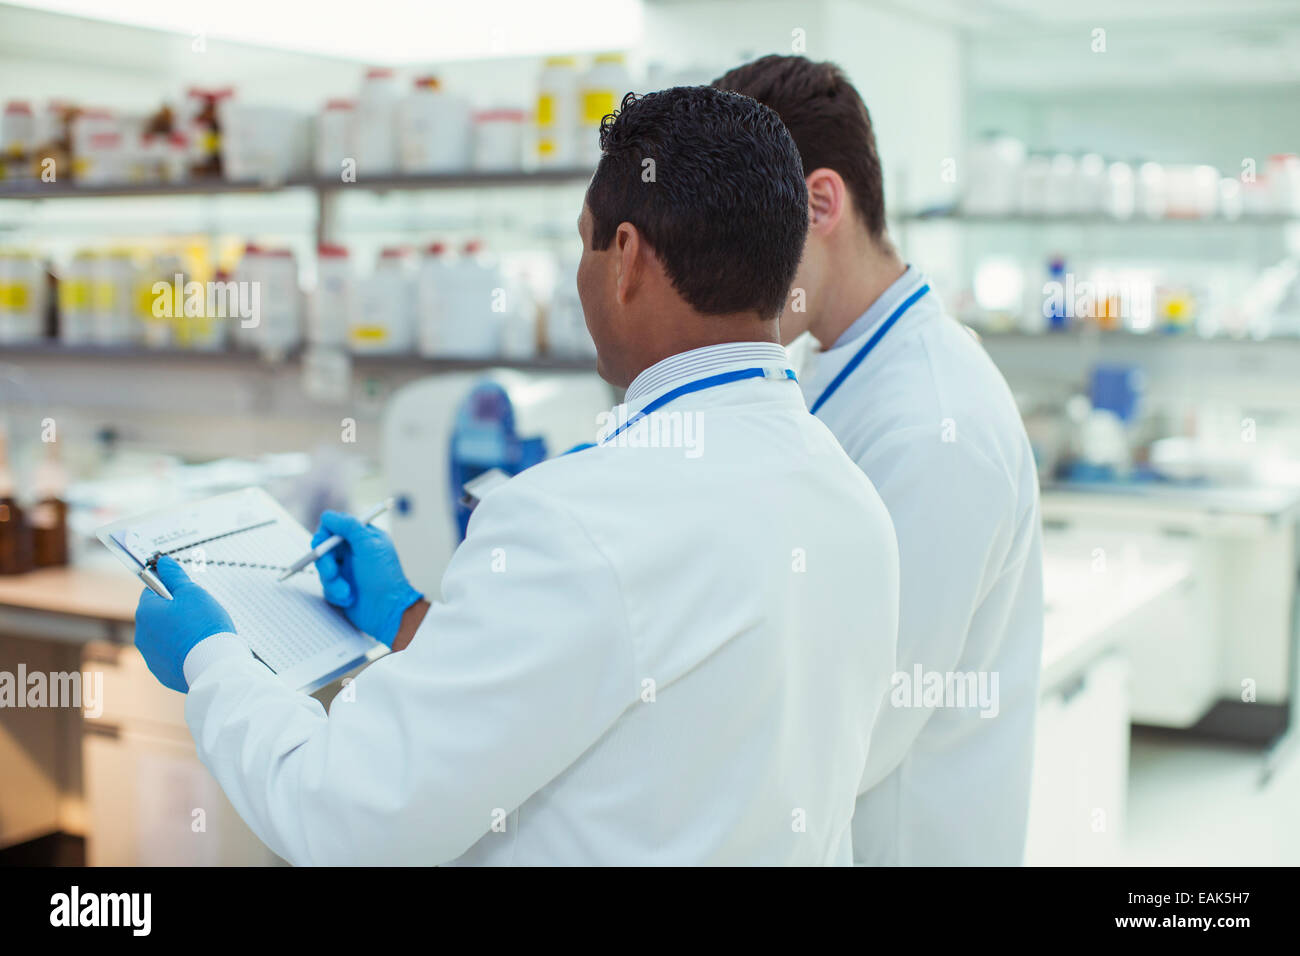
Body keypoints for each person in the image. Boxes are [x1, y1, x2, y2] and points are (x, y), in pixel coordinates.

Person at [133, 86, 900, 866]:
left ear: (626, 259)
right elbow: (635, 702)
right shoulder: (847, 491)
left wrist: (213, 663)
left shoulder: (574, 521)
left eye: (586, 243)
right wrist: (407, 618)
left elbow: (344, 818)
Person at [715, 56, 1044, 866]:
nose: (721, 275)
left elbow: (858, 730)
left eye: (738, 236)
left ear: (822, 203)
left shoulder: (938, 425)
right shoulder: (832, 358)